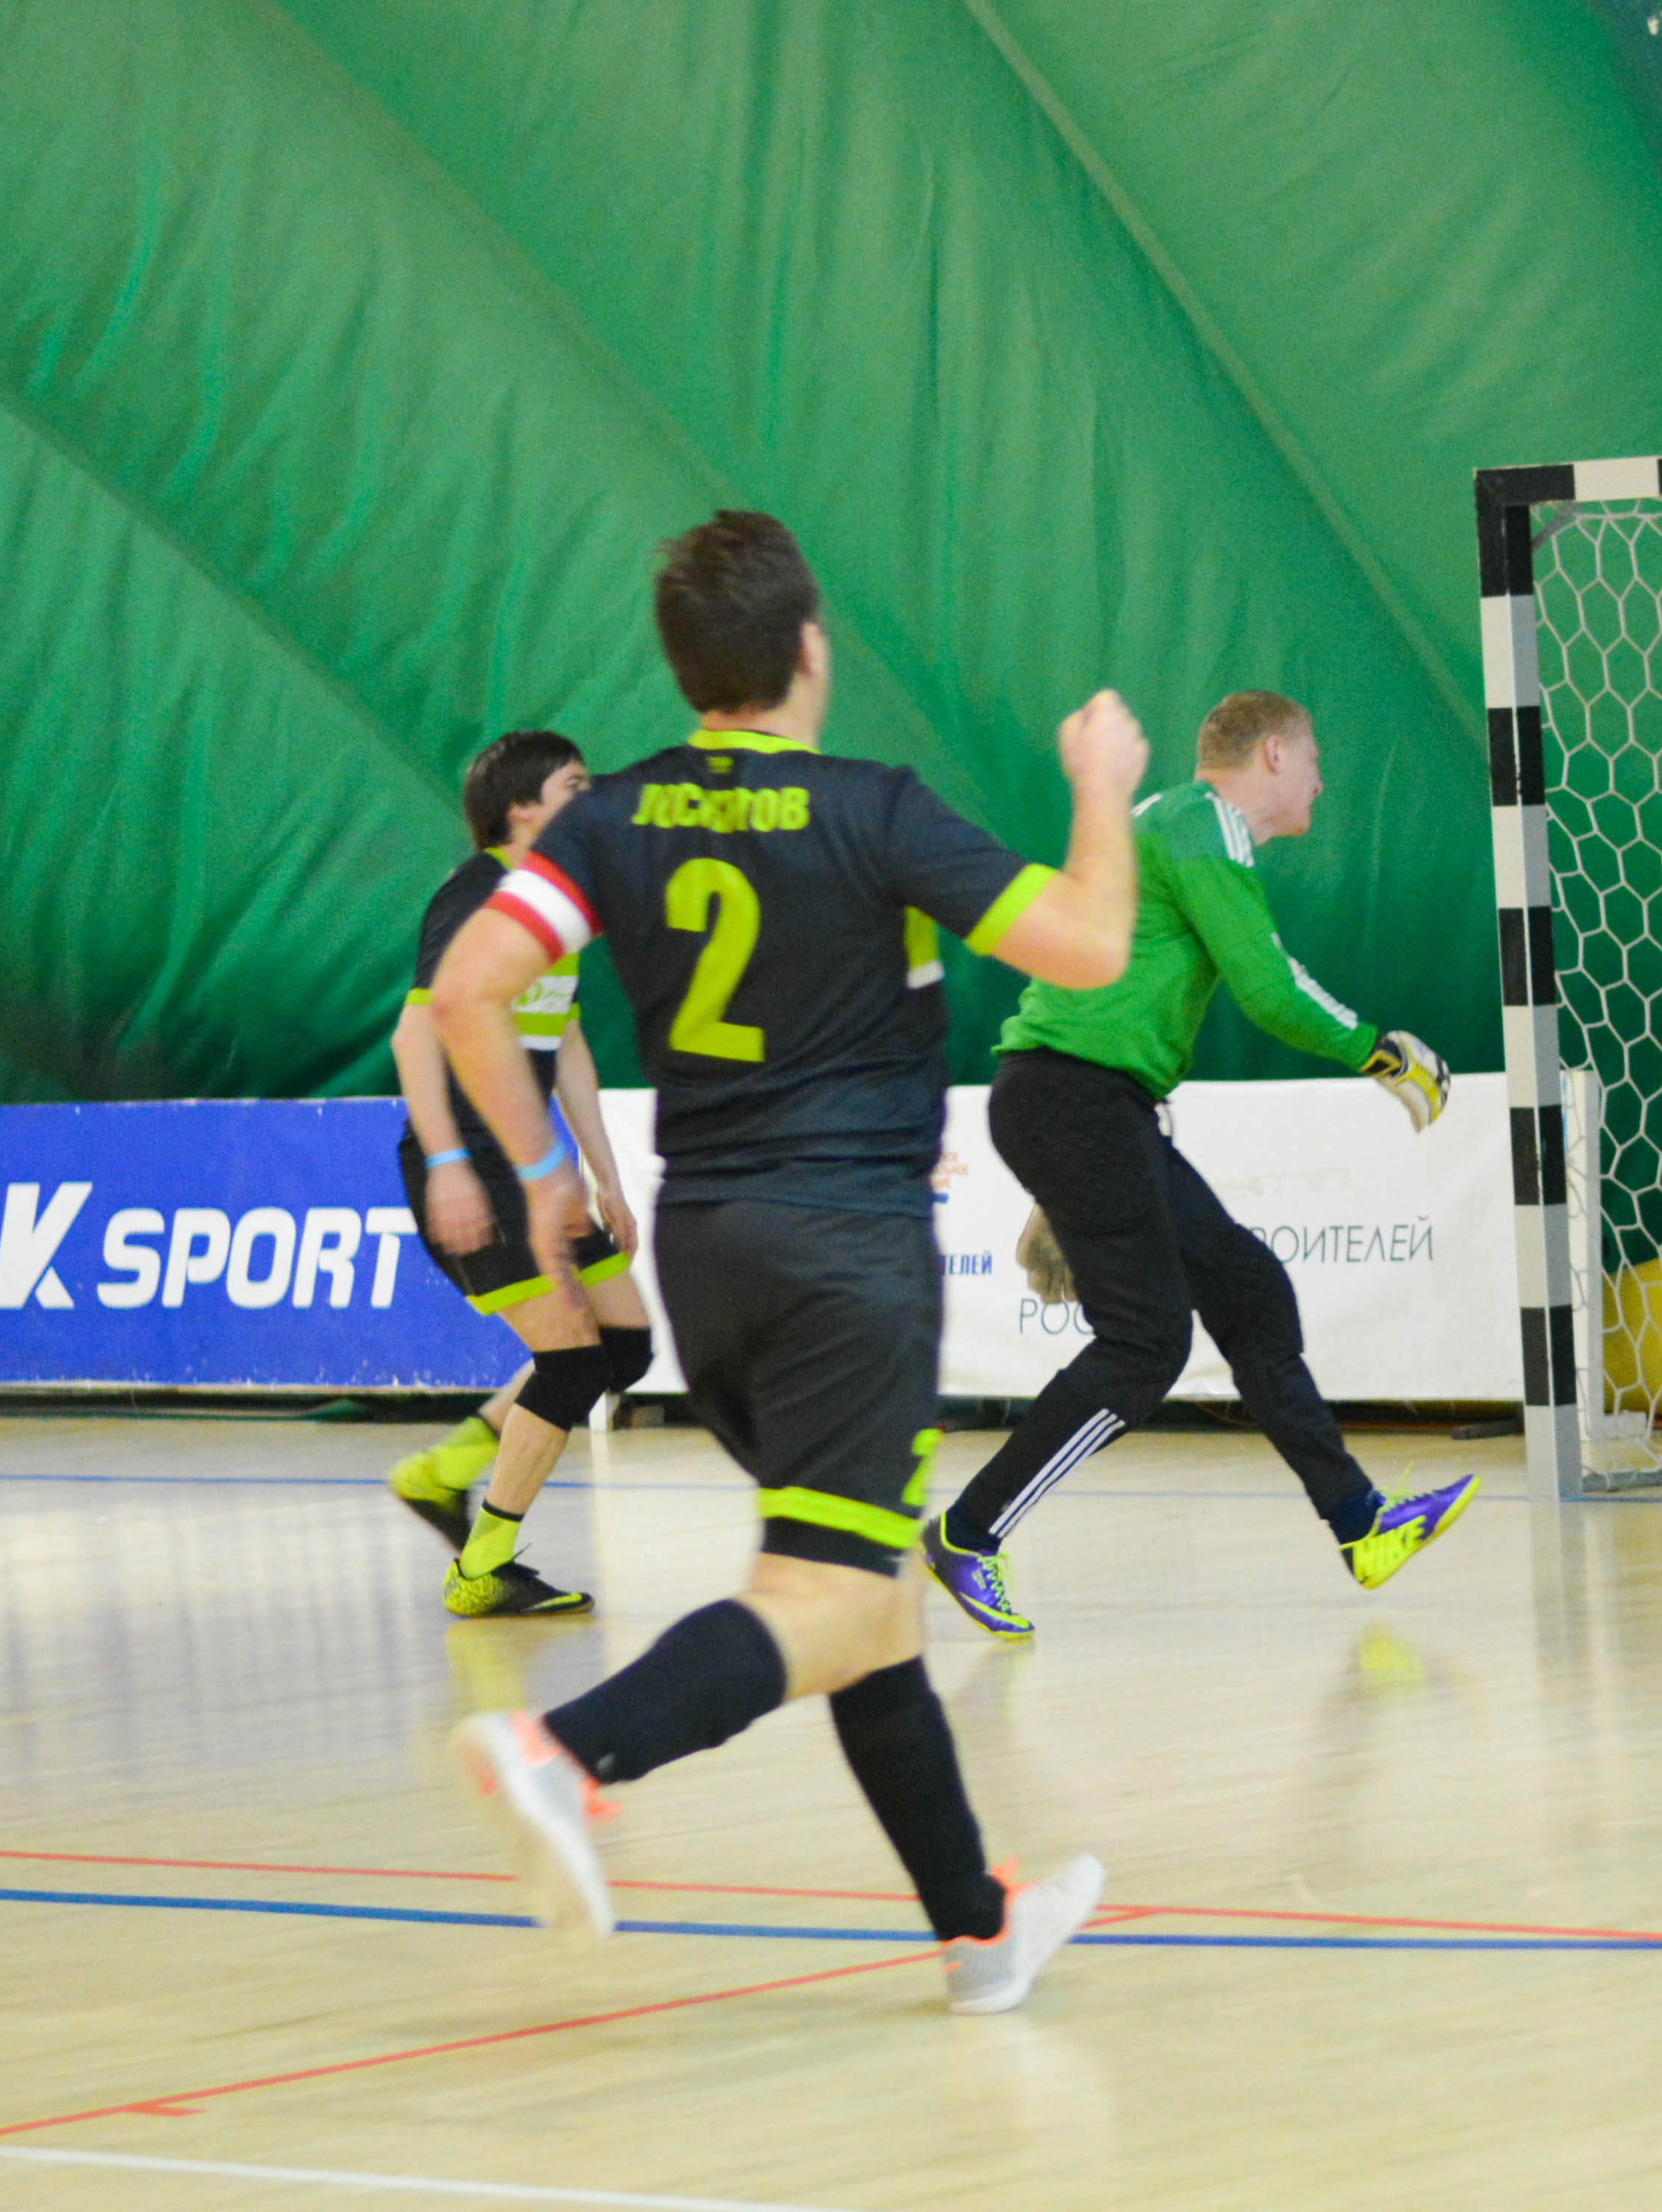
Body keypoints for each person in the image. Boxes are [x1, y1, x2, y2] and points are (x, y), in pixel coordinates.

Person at [429, 510, 1148, 2015]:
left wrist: (546, 1177)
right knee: (821, 1588)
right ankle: (567, 1750)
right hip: (845, 1258)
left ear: (688, 666)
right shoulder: (873, 810)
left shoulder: (612, 818)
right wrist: (1100, 787)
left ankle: (977, 1928)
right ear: (810, 648)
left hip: (710, 1258)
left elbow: (470, 987)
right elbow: (1089, 943)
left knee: (861, 1592)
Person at [918, 690, 1472, 1639]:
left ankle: (1361, 1522)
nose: (1321, 781)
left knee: (1247, 1289)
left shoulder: (1168, 822)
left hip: (1088, 1105)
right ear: (1270, 755)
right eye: (1312, 759)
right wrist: (1380, 1051)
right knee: (1145, 1345)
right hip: (1074, 1101)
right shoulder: (1198, 820)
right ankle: (969, 1534)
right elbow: (1268, 986)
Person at [386, 731, 657, 1617]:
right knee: (571, 1363)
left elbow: (563, 1040)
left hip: (530, 1161)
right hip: (471, 1159)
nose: (592, 795)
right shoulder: (478, 894)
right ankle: (483, 1566)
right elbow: (415, 1034)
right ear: (520, 809)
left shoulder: (557, 901)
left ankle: (444, 1471)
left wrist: (605, 1174)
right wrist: (448, 1165)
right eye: (574, 784)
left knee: (624, 1346)